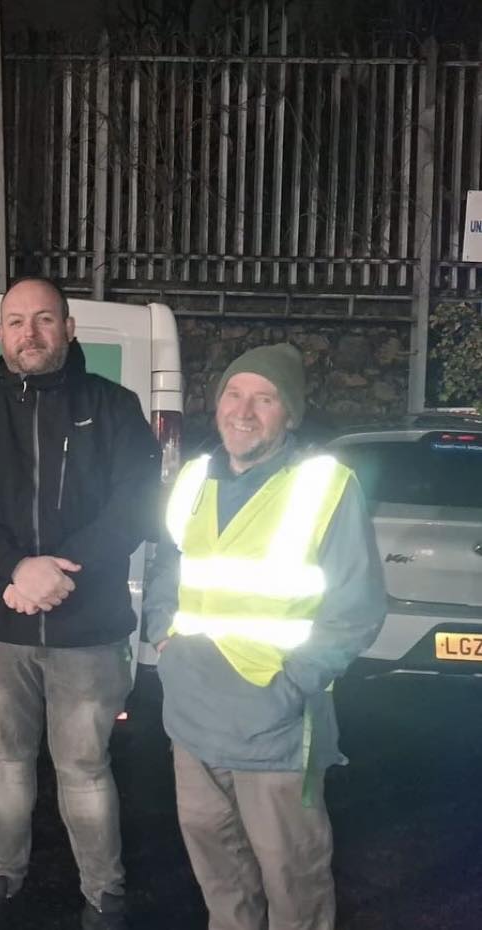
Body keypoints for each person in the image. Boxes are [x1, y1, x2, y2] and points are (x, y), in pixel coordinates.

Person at [0, 277, 161, 930]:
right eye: (14, 322)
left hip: (88, 629)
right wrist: (15, 569)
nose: (28, 334)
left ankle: (103, 894)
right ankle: (1, 875)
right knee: (4, 759)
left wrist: (59, 575)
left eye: (42, 320)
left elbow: (135, 506)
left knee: (85, 767)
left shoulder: (115, 408)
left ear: (68, 328)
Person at [143, 344, 386, 930]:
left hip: (275, 727)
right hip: (193, 721)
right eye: (233, 393)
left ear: (291, 414)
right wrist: (163, 640)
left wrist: (289, 686)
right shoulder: (196, 478)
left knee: (294, 887)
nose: (243, 411)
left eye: (265, 398)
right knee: (222, 886)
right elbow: (168, 569)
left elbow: (357, 609)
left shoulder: (325, 486)